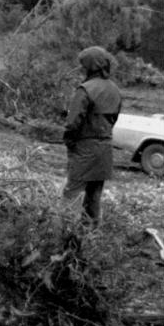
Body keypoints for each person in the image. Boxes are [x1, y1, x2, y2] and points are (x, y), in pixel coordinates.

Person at [62, 46, 122, 222]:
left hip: (84, 149)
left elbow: (72, 123)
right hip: (105, 149)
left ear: (89, 66)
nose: (81, 68)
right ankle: (92, 237)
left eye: (83, 64)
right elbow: (114, 118)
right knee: (94, 197)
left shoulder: (85, 89)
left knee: (71, 195)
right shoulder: (115, 89)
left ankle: (68, 237)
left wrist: (70, 142)